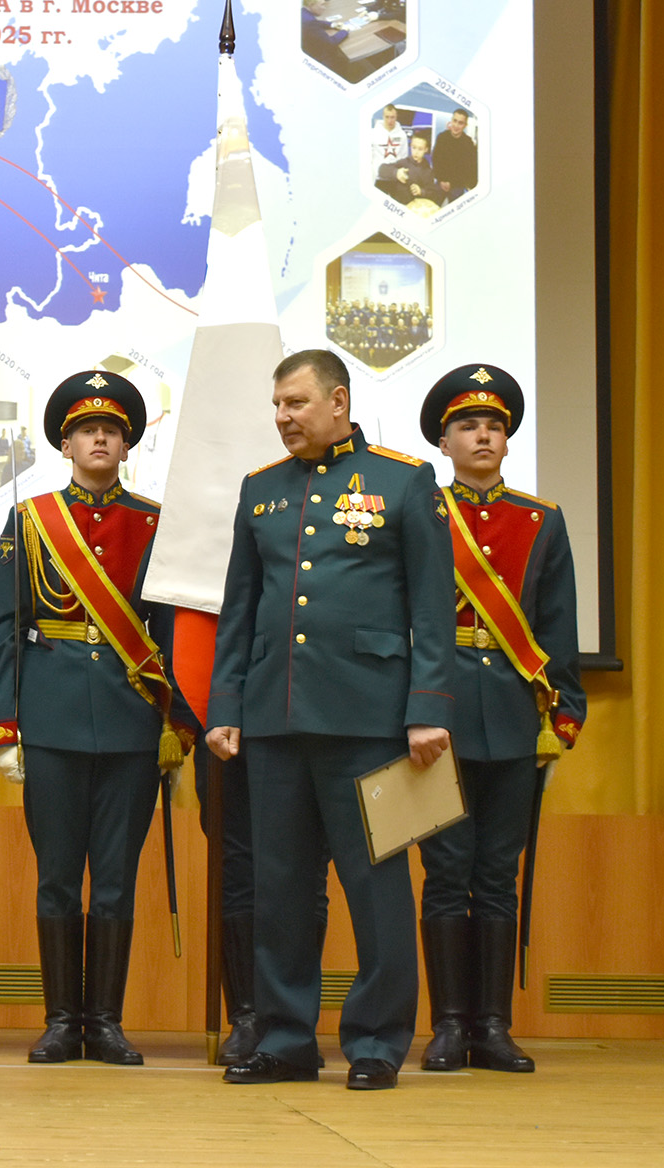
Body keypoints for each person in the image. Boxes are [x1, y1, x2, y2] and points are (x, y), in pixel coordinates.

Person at [206, 348, 454, 1091]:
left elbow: (431, 609)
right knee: (281, 890)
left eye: (296, 403)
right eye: (277, 406)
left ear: (338, 401)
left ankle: (376, 1042)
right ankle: (286, 1039)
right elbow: (240, 609)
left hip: (371, 718)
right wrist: (226, 705)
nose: (283, 418)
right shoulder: (262, 490)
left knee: (376, 888)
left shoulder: (403, 481)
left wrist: (426, 709)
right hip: (275, 718)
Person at [0, 371, 197, 1065]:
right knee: (55, 878)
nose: (98, 439)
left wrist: (177, 723)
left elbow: (172, 634)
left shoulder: (156, 522)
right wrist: (2, 725)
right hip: (52, 722)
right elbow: (7, 628)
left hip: (133, 725)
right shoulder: (31, 520)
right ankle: (59, 1021)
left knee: (115, 880)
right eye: (85, 431)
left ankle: (104, 1022)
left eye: (110, 431)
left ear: (126, 445)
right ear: (65, 444)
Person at [414, 364, 585, 1073]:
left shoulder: (541, 520)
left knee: (496, 875)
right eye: (467, 426)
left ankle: (492, 1027)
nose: (482, 435)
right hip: (440, 714)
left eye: (494, 426)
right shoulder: (423, 513)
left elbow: (557, 623)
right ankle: (449, 1027)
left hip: (515, 715)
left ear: (508, 440)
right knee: (445, 872)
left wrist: (563, 710)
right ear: (444, 443)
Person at [431, 109, 480, 203]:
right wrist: (441, 180)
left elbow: (468, 168)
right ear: (451, 121)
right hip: (440, 182)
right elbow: (436, 160)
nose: (456, 125)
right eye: (455, 121)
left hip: (458, 185)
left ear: (465, 125)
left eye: (460, 123)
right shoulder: (442, 137)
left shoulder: (468, 143)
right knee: (432, 207)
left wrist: (452, 183)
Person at [377, 134, 437, 205]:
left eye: (420, 149)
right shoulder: (403, 163)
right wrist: (396, 173)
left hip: (416, 207)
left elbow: (432, 193)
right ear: (410, 146)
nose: (416, 152)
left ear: (426, 149)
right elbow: (382, 169)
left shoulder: (428, 171)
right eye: (414, 147)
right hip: (399, 206)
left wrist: (421, 191)